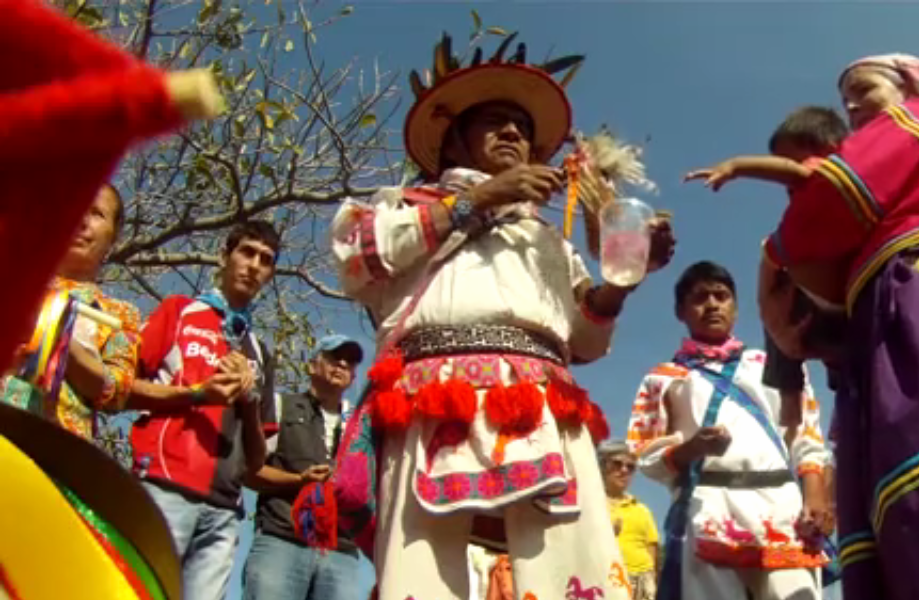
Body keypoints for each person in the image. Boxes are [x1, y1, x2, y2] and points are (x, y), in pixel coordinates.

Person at [322, 31, 675, 600]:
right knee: (421, 575)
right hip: (429, 400)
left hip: (544, 402)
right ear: (454, 142)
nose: (514, 132)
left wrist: (622, 279)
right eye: (494, 120)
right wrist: (479, 200)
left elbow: (583, 339)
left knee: (575, 567)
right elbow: (359, 259)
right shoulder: (399, 207)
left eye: (523, 127)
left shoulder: (547, 239)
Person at [756, 53, 919, 600]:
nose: (852, 104)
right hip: (873, 342)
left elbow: (823, 204)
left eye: (863, 89)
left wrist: (776, 250)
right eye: (845, 98)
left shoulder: (907, 123)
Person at [626, 261, 832, 600]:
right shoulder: (662, 377)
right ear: (680, 311)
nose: (711, 304)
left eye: (721, 296)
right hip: (707, 507)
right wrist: (691, 448)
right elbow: (643, 452)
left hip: (782, 506)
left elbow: (805, 432)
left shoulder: (774, 362)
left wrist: (815, 492)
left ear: (735, 308)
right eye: (699, 297)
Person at [129, 221, 280, 600]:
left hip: (225, 511)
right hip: (164, 486)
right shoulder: (179, 310)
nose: (254, 265)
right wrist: (198, 394)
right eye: (246, 252)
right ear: (225, 255)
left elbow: (256, 463)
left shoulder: (259, 352)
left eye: (266, 260)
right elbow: (121, 390)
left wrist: (248, 404)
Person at [684, 106, 850, 431]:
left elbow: (796, 173)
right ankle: (792, 396)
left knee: (780, 293)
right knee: (780, 303)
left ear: (829, 146)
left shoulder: (828, 174)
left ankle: (791, 398)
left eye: (791, 159)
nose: (786, 176)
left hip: (837, 306)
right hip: (829, 321)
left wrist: (736, 166)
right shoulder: (803, 213)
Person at [2, 184, 141, 443]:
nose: (82, 220)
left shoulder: (121, 314)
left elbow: (116, 391)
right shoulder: (12, 281)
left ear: (113, 237)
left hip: (59, 450)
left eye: (97, 213)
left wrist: (60, 334)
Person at [243, 334, 365, 600]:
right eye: (334, 356)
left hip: (341, 550)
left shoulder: (361, 427)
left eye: (351, 361)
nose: (343, 364)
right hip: (282, 539)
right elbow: (247, 471)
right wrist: (299, 480)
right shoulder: (278, 407)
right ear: (312, 366)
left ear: (354, 377)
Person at [597, 440, 659, 600]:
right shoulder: (591, 504)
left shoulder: (642, 510)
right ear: (603, 467)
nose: (624, 470)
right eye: (617, 464)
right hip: (603, 581)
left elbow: (651, 551)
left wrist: (652, 581)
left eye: (630, 467)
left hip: (641, 585)